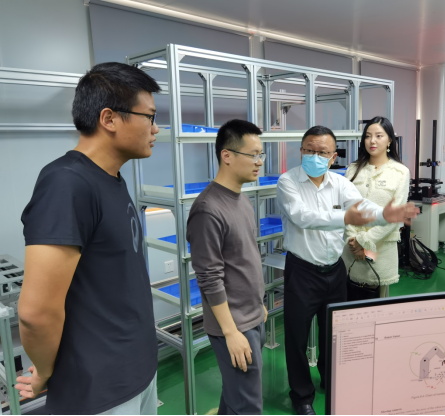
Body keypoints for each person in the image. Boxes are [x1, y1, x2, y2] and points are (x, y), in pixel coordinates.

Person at [17, 63, 161, 415]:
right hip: (99, 391)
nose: (155, 129)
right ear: (109, 119)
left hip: (137, 372)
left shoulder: (111, 179)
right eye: (149, 117)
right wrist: (45, 371)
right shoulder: (67, 183)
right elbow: (36, 312)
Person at [276, 126, 418, 416]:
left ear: (333, 157)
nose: (315, 156)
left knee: (335, 334)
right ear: (301, 151)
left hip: (335, 271)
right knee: (296, 338)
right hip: (302, 272)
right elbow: (302, 216)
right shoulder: (287, 181)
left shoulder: (339, 183)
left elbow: (361, 206)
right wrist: (345, 217)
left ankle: (331, 379)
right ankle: (302, 396)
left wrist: (384, 214)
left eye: (322, 152)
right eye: (309, 150)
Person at [187, 119, 268, 415]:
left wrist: (258, 304)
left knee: (236, 395)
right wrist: (231, 332)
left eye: (261, 154)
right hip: (234, 325)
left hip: (252, 315)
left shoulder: (241, 198)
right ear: (227, 156)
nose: (259, 162)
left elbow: (243, 259)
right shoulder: (208, 210)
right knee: (247, 405)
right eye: (253, 155)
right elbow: (209, 278)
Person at [342, 117, 410, 299]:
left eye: (379, 136)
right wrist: (353, 240)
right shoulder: (353, 169)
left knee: (374, 304)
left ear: (389, 140)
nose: (372, 141)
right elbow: (346, 207)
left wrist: (364, 242)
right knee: (347, 303)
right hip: (351, 249)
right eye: (368, 136)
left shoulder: (400, 172)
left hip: (380, 249)